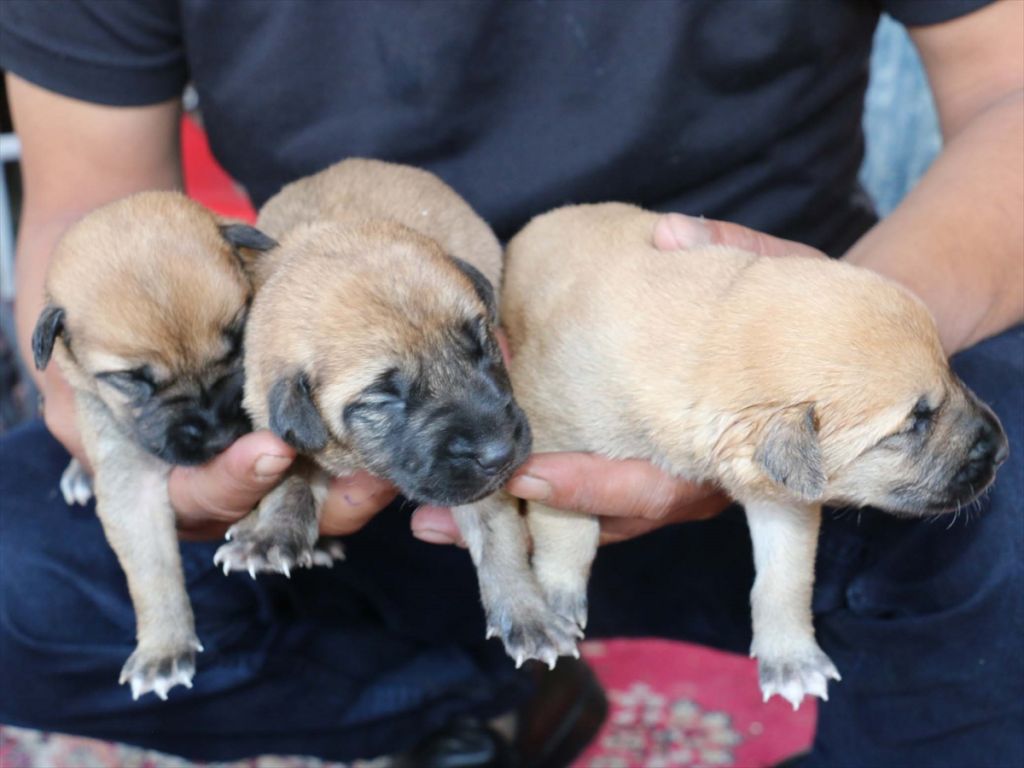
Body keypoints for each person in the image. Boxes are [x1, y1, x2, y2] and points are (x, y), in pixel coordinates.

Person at [1, 1, 1021, 765]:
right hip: (370, 497)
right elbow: (91, 208)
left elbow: (1008, 89)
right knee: (23, 578)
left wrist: (854, 343)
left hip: (798, 427)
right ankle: (479, 696)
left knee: (1004, 531)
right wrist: (160, 457)